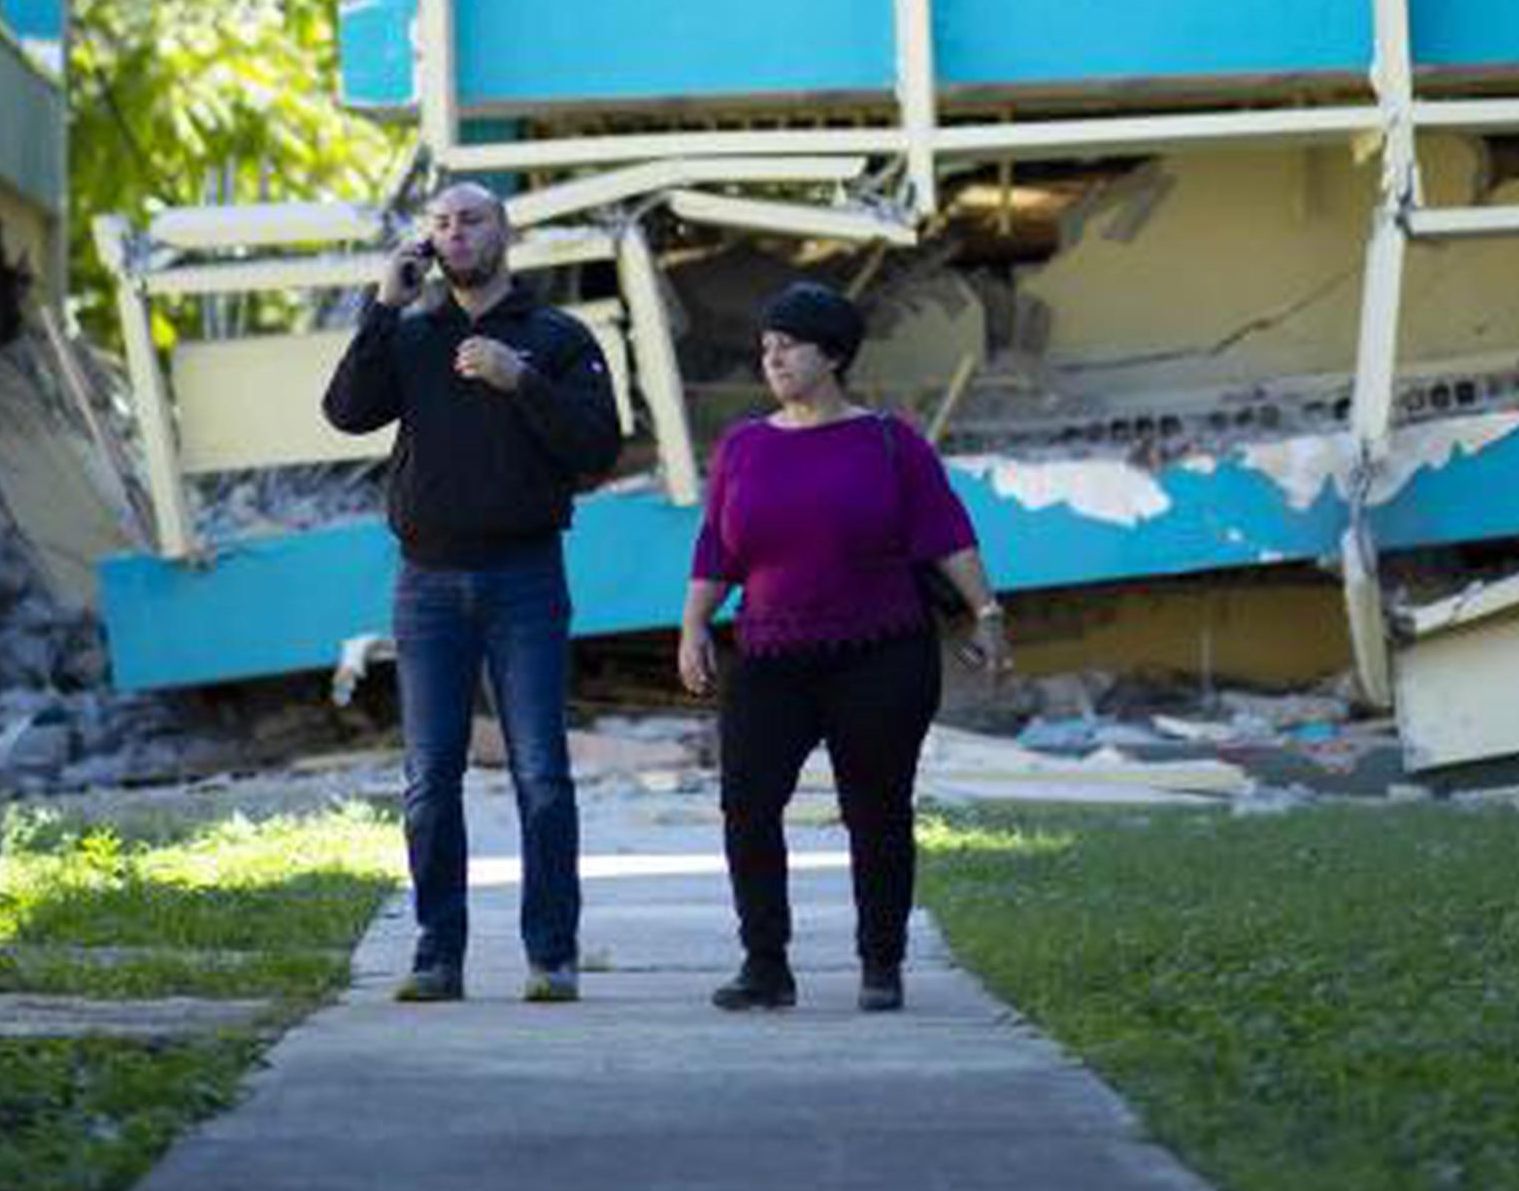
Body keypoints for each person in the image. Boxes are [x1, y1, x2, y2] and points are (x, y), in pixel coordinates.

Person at [323, 180, 621, 1004]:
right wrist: (383, 307)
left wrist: (520, 379)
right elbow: (347, 412)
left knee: (542, 774)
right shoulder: (413, 337)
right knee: (428, 778)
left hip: (526, 577)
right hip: (426, 581)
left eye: (473, 220)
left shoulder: (557, 337)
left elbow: (599, 447)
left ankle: (551, 955)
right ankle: (436, 952)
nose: (456, 235)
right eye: (443, 224)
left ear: (506, 233)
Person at [678, 278, 1008, 1014]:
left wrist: (987, 612)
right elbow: (717, 546)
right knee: (748, 804)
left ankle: (881, 965)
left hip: (881, 651)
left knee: (877, 809)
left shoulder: (892, 443)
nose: (774, 360)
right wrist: (694, 623)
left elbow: (947, 533)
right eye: (766, 348)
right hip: (769, 653)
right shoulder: (744, 447)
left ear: (832, 354)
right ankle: (766, 964)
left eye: (788, 346)